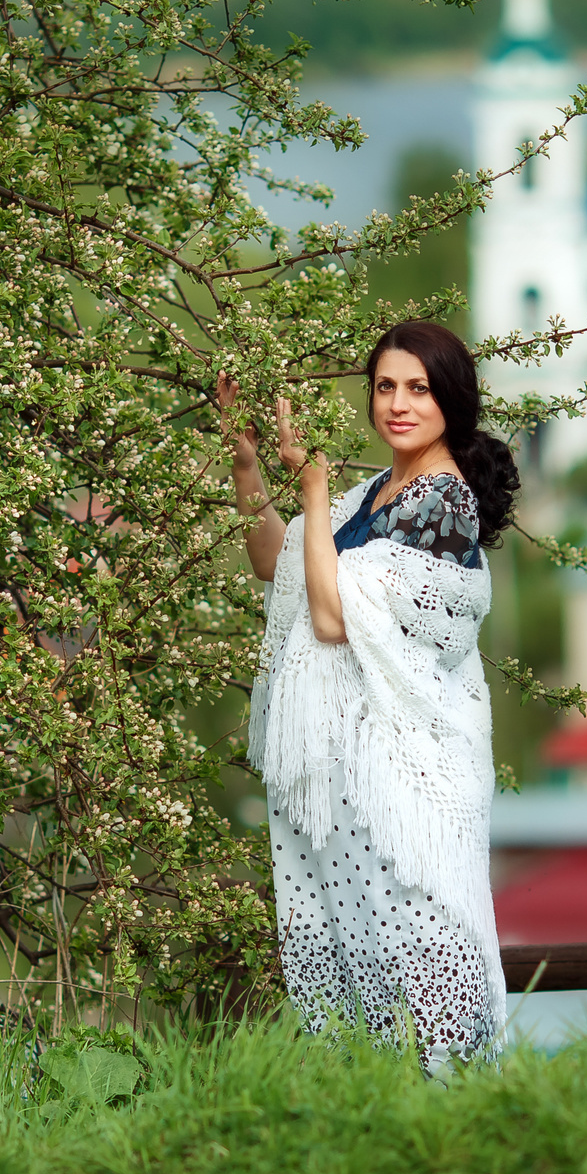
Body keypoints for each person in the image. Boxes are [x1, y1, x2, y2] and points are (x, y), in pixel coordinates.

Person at [216, 320, 521, 1071]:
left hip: (405, 784)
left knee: (422, 954)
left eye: (417, 388)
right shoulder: (376, 493)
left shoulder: (442, 504)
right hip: (344, 780)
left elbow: (328, 615)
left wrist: (315, 489)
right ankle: (380, 1123)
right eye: (386, 386)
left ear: (451, 396)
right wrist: (249, 468)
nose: (398, 403)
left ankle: (458, 1120)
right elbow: (279, 563)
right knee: (363, 970)